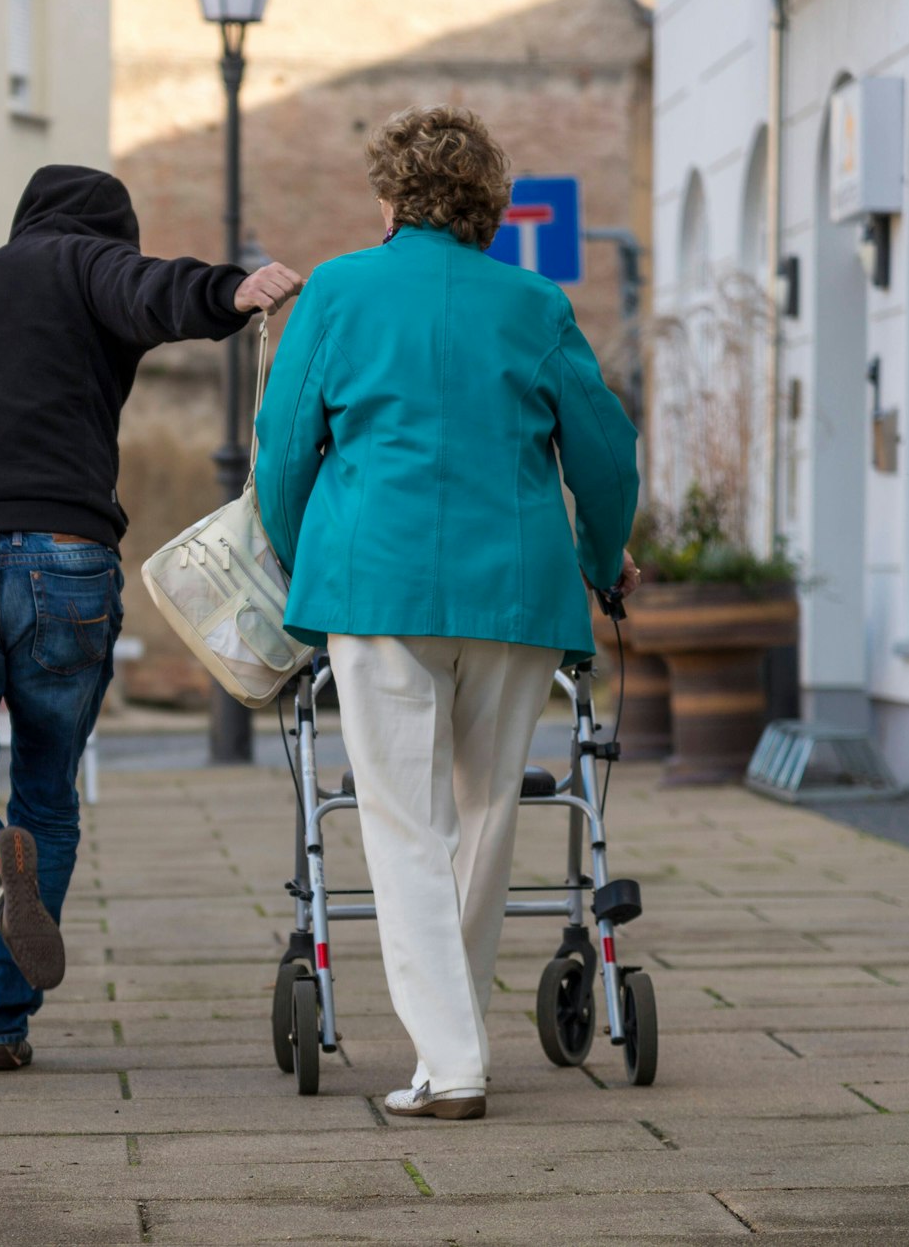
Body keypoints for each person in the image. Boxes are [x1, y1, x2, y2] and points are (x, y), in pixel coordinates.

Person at [0, 165, 303, 1071]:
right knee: (46, 792)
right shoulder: (89, 269)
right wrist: (229, 292)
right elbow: (151, 290)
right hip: (68, 563)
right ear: (104, 236)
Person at [253, 106, 642, 1119]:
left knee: (400, 822)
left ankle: (452, 1058)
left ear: (387, 197)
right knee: (484, 815)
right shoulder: (534, 301)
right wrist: (605, 564)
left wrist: (305, 566)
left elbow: (284, 449)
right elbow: (601, 455)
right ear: (491, 206)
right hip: (514, 590)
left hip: (373, 585)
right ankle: (452, 1042)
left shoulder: (335, 290)